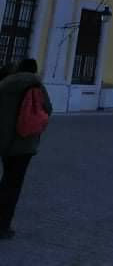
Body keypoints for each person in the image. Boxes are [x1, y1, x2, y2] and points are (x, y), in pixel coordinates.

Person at [0, 58, 52, 239]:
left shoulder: (4, 84)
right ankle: (3, 225)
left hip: (4, 141)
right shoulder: (36, 85)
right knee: (13, 184)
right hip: (24, 144)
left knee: (6, 179)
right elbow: (48, 109)